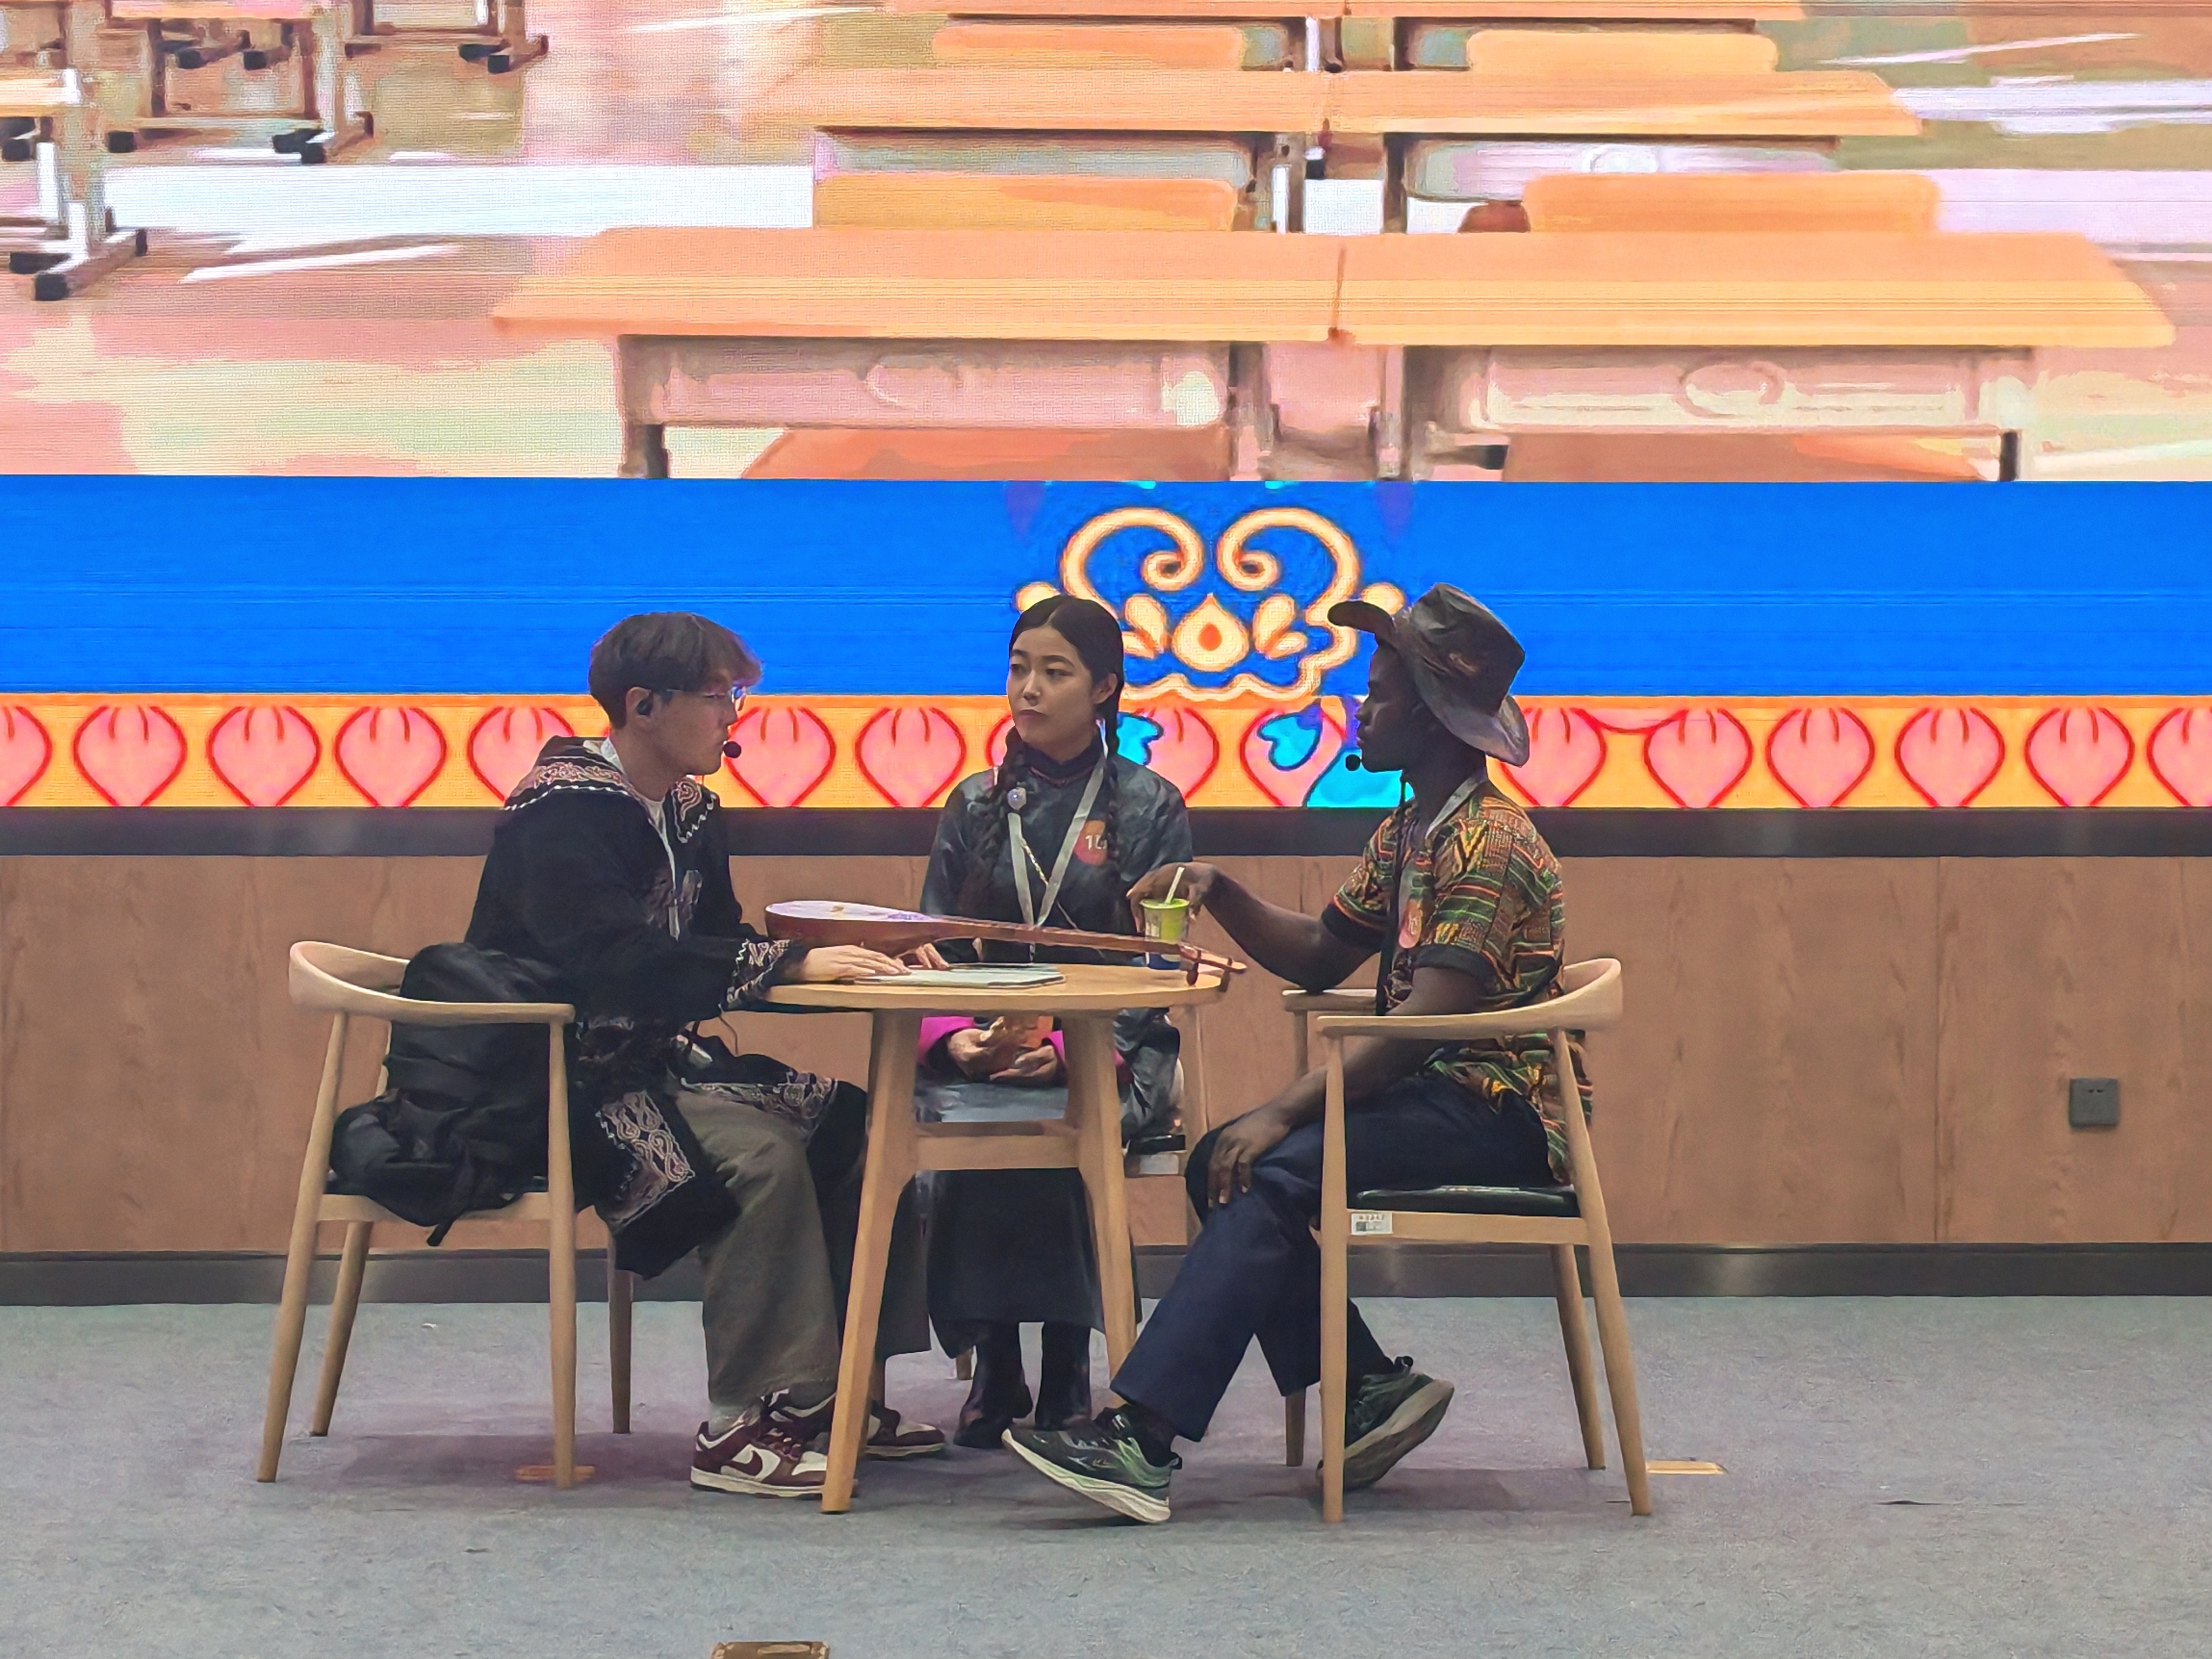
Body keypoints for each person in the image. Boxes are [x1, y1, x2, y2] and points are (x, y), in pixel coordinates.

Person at [1002, 584, 1583, 1523]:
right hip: (1433, 1097)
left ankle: (1141, 1436)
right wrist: (1219, 888)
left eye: (1380, 695)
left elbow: (1422, 1026)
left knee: (1260, 1164)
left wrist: (1283, 1109)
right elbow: (1321, 952)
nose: (1361, 708)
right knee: (1221, 1160)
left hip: (1494, 1112)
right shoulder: (1409, 831)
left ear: (1433, 719)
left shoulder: (1489, 841)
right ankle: (1366, 1388)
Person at [463, 611, 947, 1500]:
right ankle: (744, 1421)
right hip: (555, 1083)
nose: (733, 716)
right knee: (759, 1156)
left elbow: (715, 940)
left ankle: (839, 1396)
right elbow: (611, 962)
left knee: (855, 1124)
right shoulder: (559, 812)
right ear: (644, 705)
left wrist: (856, 950)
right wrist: (785, 965)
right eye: (721, 696)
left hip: (653, 1070)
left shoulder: (690, 810)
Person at [916, 595, 1192, 1448]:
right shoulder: (972, 803)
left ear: (1105, 688)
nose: (1028, 689)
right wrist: (957, 1040)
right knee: (979, 1116)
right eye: (1018, 669)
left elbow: (1160, 968)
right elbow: (931, 953)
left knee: (1067, 1115)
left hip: (1115, 1047)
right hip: (989, 1045)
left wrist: (1079, 1051)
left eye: (1054, 672)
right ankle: (997, 1359)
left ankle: (1068, 1356)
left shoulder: (1149, 805)